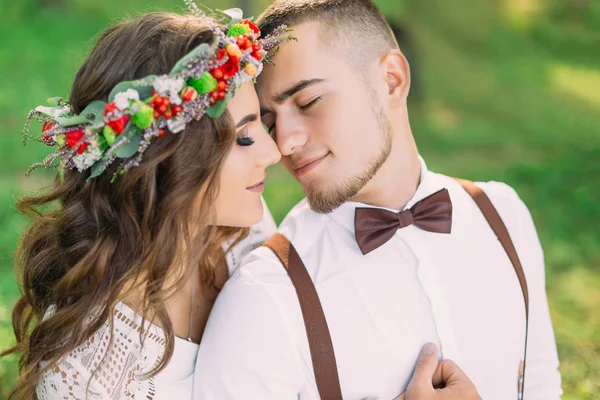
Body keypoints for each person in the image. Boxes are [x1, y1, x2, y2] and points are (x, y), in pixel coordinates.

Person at [193, 0, 562, 399]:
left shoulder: (503, 215)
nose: (285, 142)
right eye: (270, 121)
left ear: (391, 80)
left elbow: (541, 384)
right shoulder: (264, 296)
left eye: (309, 102)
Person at [1, 9, 286, 399]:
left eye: (262, 127)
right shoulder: (90, 373)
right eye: (243, 138)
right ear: (170, 163)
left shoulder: (241, 229)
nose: (274, 152)